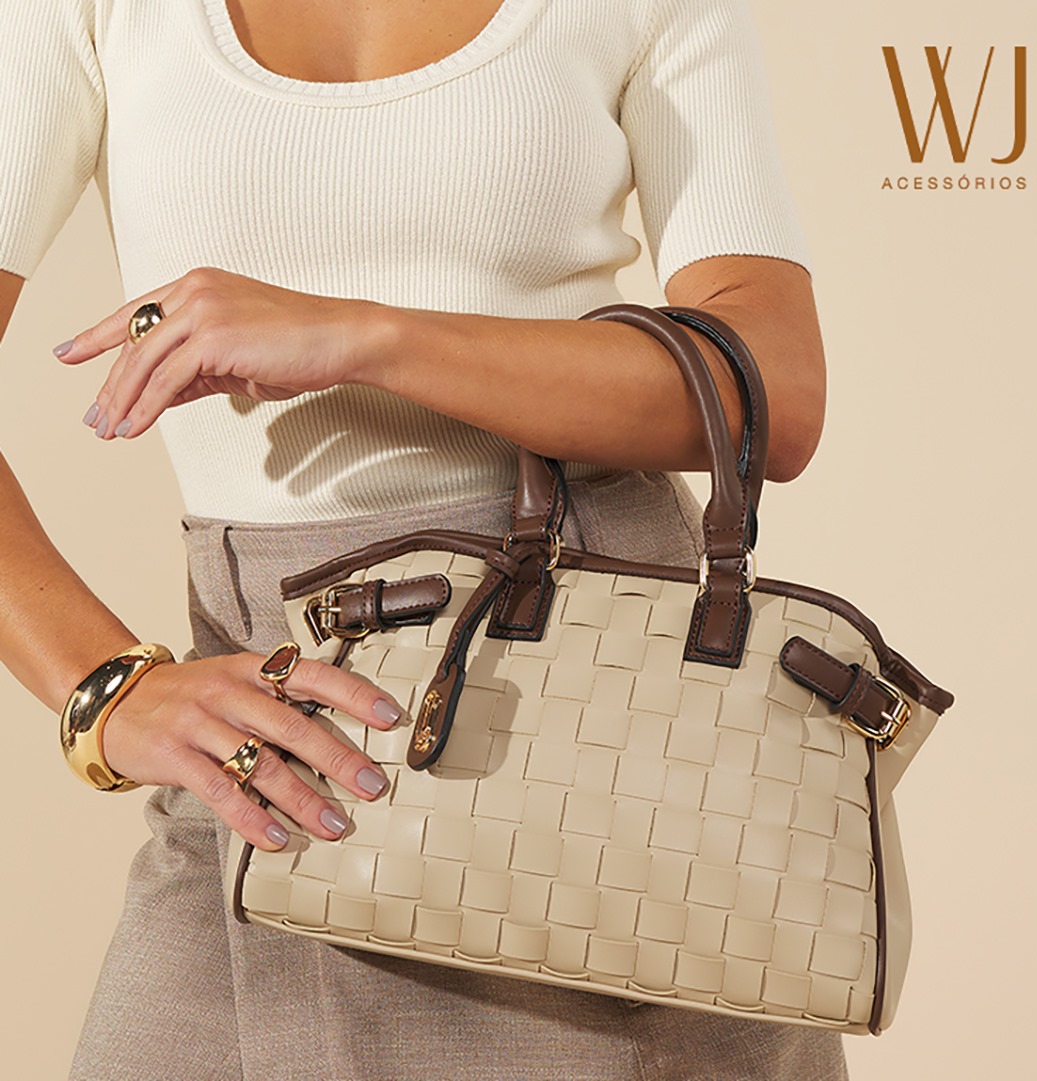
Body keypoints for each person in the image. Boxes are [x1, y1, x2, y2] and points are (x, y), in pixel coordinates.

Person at [0, 1, 838, 1078]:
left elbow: (777, 388)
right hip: (275, 721)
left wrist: (367, 335)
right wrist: (103, 687)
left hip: (600, 730)